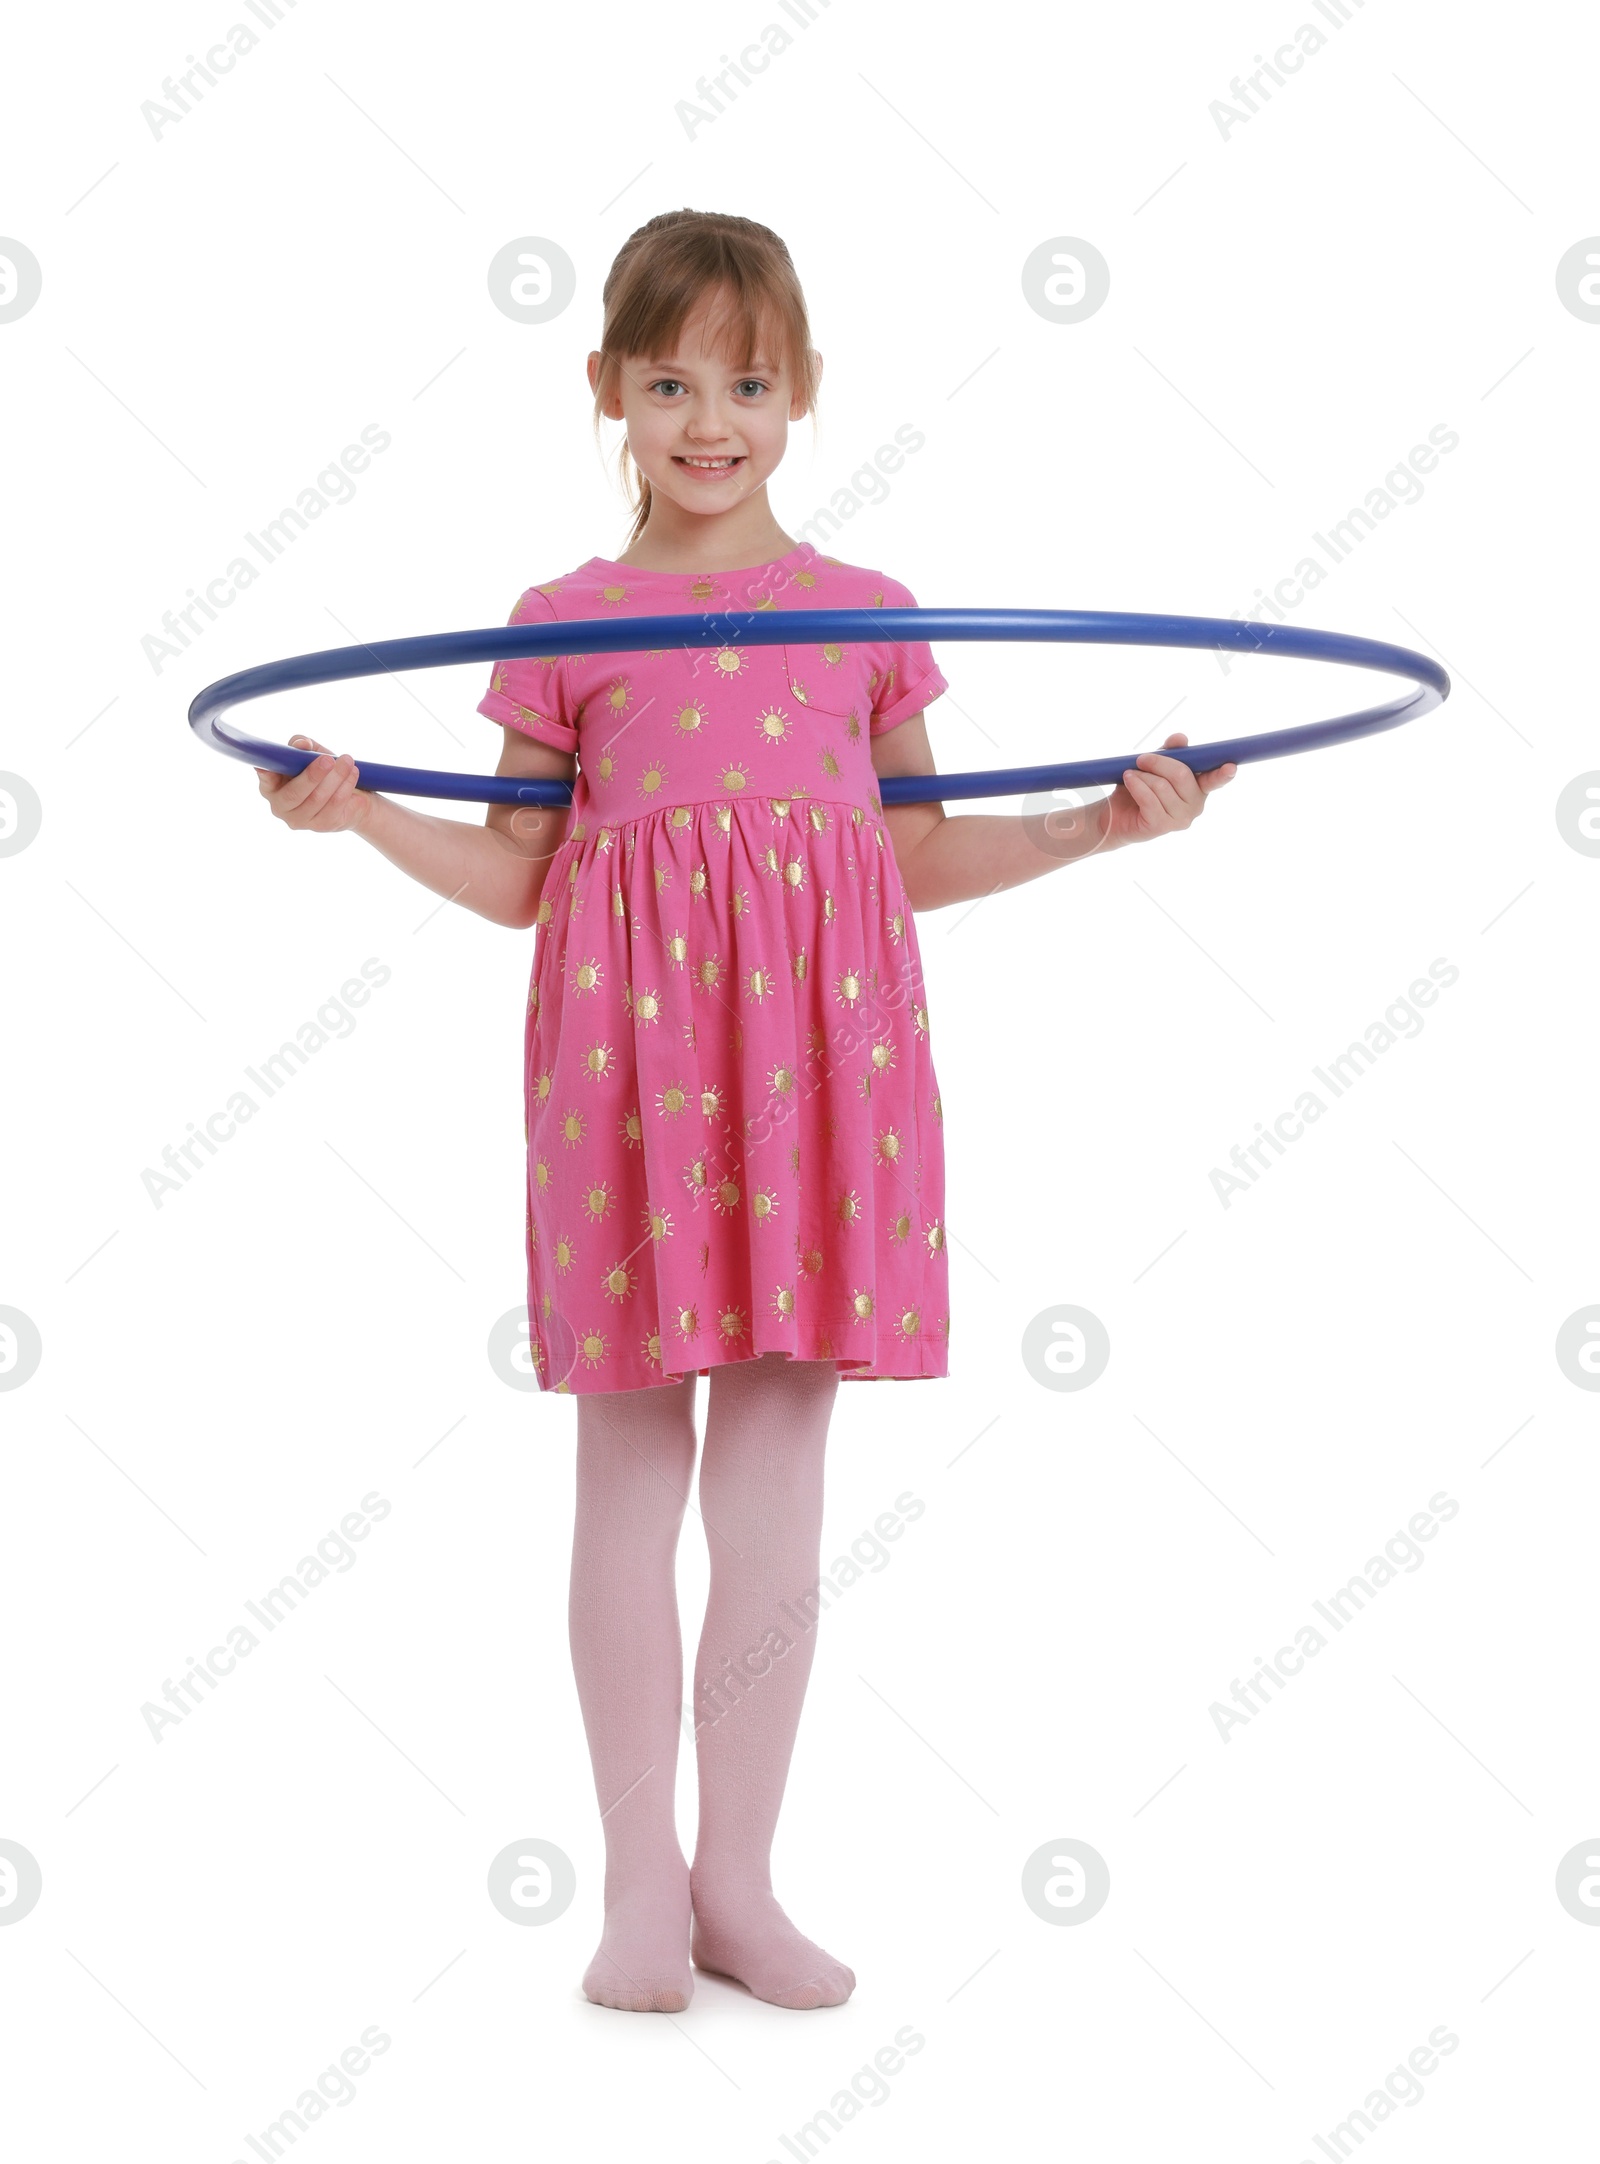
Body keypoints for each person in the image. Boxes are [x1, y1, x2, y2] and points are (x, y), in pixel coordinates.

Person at [255, 208, 1236, 2016]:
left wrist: (1100, 825)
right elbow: (513, 879)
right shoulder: (559, 626)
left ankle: (739, 1885)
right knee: (627, 1482)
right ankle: (636, 1887)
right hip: (622, 1089)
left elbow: (917, 848)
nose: (713, 417)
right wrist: (357, 815)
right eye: (673, 378)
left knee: (777, 1498)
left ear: (803, 397)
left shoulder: (871, 622)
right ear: (610, 391)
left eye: (751, 380)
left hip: (827, 1082)